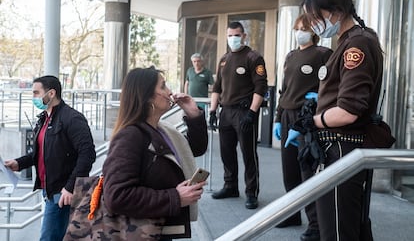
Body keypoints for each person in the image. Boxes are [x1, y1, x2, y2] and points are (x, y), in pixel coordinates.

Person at [286, 0, 384, 241]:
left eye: (316, 17)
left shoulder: (357, 45)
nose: (313, 24)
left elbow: (348, 110)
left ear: (336, 11)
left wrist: (313, 121)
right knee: (346, 226)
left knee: (338, 231)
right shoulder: (350, 40)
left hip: (342, 147)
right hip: (338, 147)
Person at [102, 67, 208, 240]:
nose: (170, 92)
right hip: (140, 232)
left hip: (159, 230)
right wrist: (175, 198)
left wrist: (193, 114)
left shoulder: (162, 129)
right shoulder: (130, 136)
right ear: (147, 96)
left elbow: (194, 149)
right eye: (163, 86)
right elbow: (116, 195)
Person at [5, 75, 96, 241]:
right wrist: (18, 163)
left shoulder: (72, 118)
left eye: (36, 93)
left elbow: (87, 154)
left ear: (51, 93)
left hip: (62, 194)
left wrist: (70, 187)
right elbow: (39, 154)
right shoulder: (44, 119)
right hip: (49, 192)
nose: (33, 97)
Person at [273, 14, 332, 240]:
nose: (300, 32)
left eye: (304, 28)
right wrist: (278, 118)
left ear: (314, 31)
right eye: (297, 28)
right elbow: (284, 89)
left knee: (307, 169)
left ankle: (316, 224)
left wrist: (320, 97)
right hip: (287, 115)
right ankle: (292, 213)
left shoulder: (323, 54)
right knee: (289, 170)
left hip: (307, 116)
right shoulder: (290, 56)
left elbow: (333, 83)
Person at [209, 21, 268, 209]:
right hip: (226, 112)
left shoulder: (253, 57)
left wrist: (252, 112)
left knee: (248, 153)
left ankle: (251, 192)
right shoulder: (224, 59)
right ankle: (230, 186)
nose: (233, 38)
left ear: (244, 36)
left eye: (236, 35)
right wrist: (212, 110)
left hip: (244, 112)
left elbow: (261, 87)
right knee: (226, 152)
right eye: (230, 35)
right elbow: (217, 87)